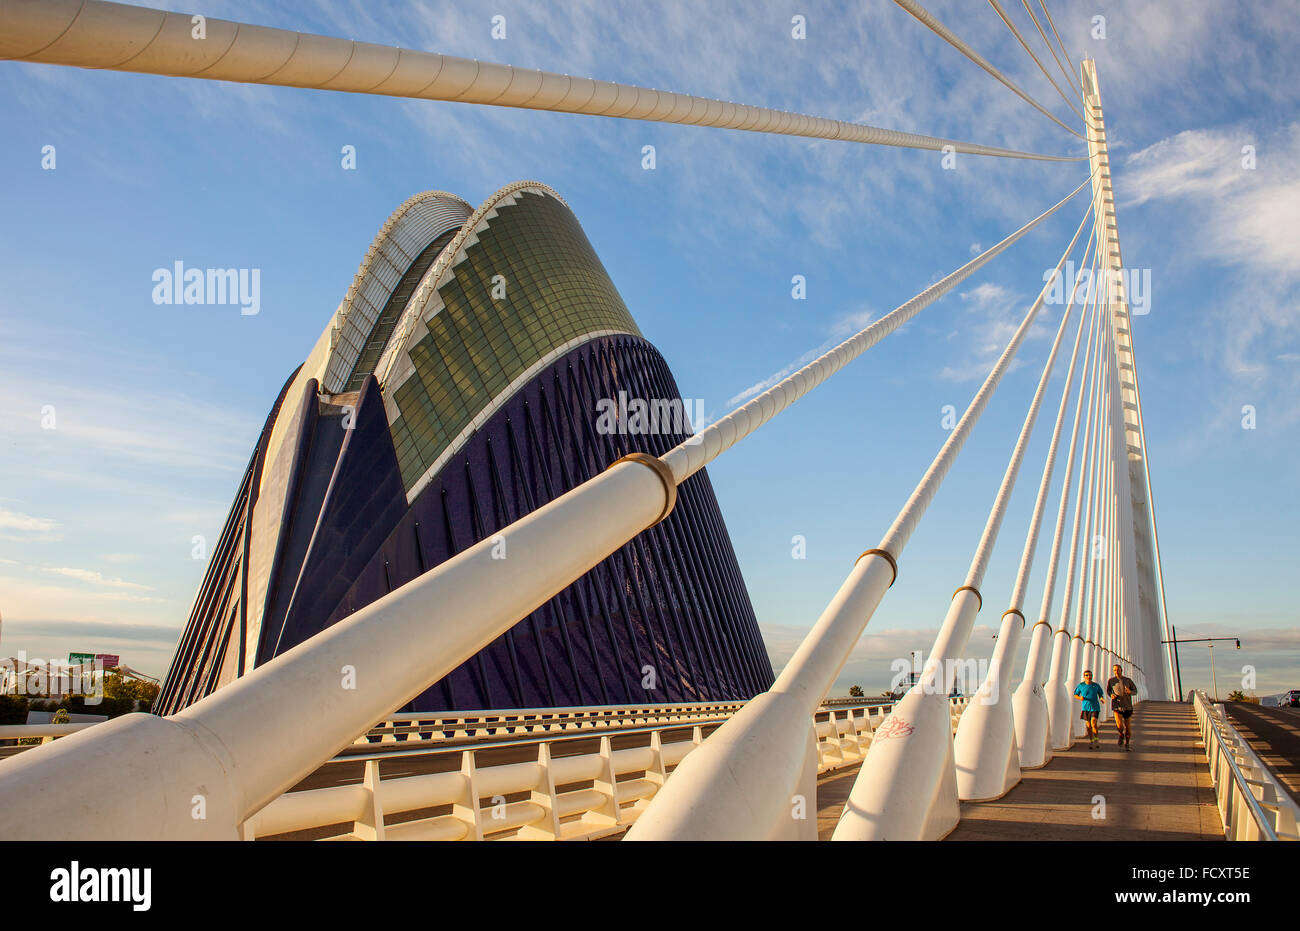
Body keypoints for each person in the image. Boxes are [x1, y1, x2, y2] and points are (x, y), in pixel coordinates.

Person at [1107, 663, 1137, 750]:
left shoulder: (1128, 680)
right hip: (1117, 706)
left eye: (1118, 670)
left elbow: (1135, 691)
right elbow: (1108, 691)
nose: (1116, 671)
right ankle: (1121, 734)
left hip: (1127, 707)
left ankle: (1127, 744)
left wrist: (1130, 692)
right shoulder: (1111, 681)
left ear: (1121, 670)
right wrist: (1111, 695)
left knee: (1128, 728)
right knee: (1120, 726)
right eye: (1114, 670)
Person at [1073, 670, 1105, 748]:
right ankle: (1091, 740)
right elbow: (1075, 694)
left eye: (1090, 675)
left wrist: (1101, 699)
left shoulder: (1096, 685)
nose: (1088, 677)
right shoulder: (1081, 685)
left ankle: (1096, 739)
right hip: (1085, 708)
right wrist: (1080, 697)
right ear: (1084, 676)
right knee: (1088, 726)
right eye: (1086, 675)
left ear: (1092, 676)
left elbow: (1100, 694)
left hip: (1095, 707)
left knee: (1093, 723)